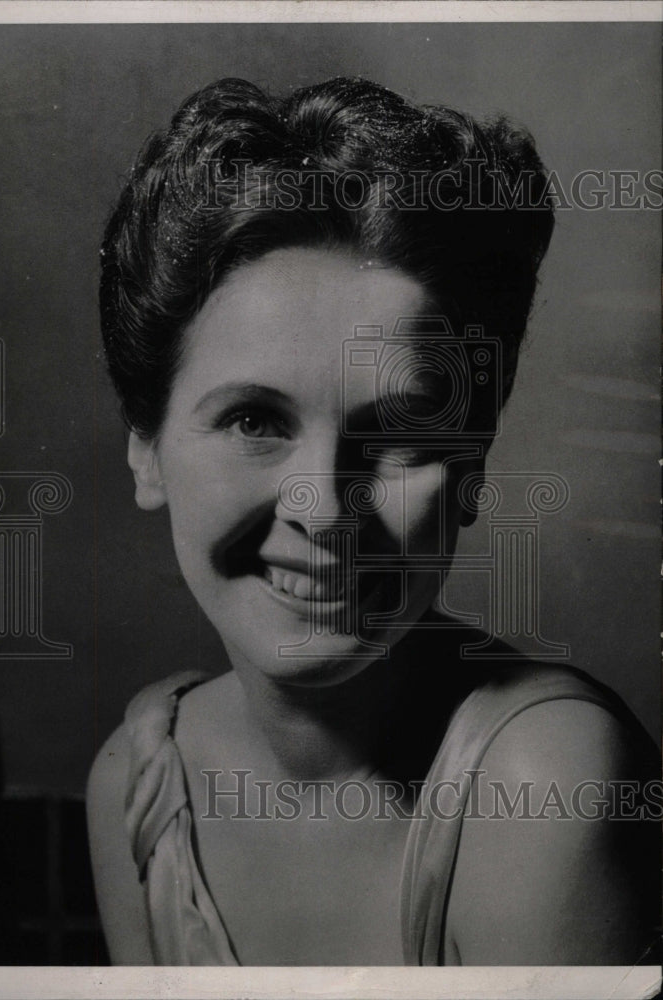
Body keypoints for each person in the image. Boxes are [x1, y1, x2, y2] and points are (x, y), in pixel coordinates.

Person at [87, 77, 659, 966]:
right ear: (148, 449)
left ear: (471, 466)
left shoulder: (549, 788)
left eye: (399, 435)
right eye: (255, 421)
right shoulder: (137, 780)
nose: (323, 509)